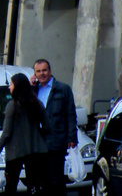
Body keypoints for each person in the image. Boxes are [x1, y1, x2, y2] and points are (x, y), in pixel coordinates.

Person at [0, 73, 49, 195]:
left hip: (15, 152)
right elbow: (47, 126)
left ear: (17, 87)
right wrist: (39, 138)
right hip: (36, 151)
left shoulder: (11, 106)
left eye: (11, 84)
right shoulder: (37, 104)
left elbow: (7, 133)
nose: (9, 87)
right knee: (34, 186)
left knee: (11, 185)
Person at [32, 59, 77, 196]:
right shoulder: (34, 90)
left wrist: (72, 137)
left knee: (56, 181)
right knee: (42, 181)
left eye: (44, 70)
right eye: (38, 71)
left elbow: (70, 114)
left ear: (50, 71)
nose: (42, 74)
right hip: (39, 143)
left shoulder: (63, 89)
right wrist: (31, 87)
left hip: (57, 141)